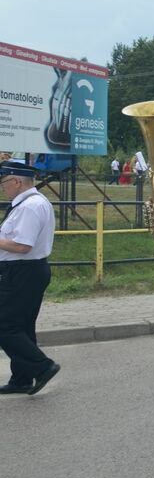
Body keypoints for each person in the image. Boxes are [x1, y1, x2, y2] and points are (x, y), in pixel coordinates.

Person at [0, 162, 61, 395]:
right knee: (22, 326)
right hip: (26, 271)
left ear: (16, 182)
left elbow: (22, 246)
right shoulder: (31, 203)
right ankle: (22, 378)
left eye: (4, 183)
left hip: (22, 271)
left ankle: (43, 367)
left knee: (5, 325)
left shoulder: (30, 207)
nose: (3, 188)